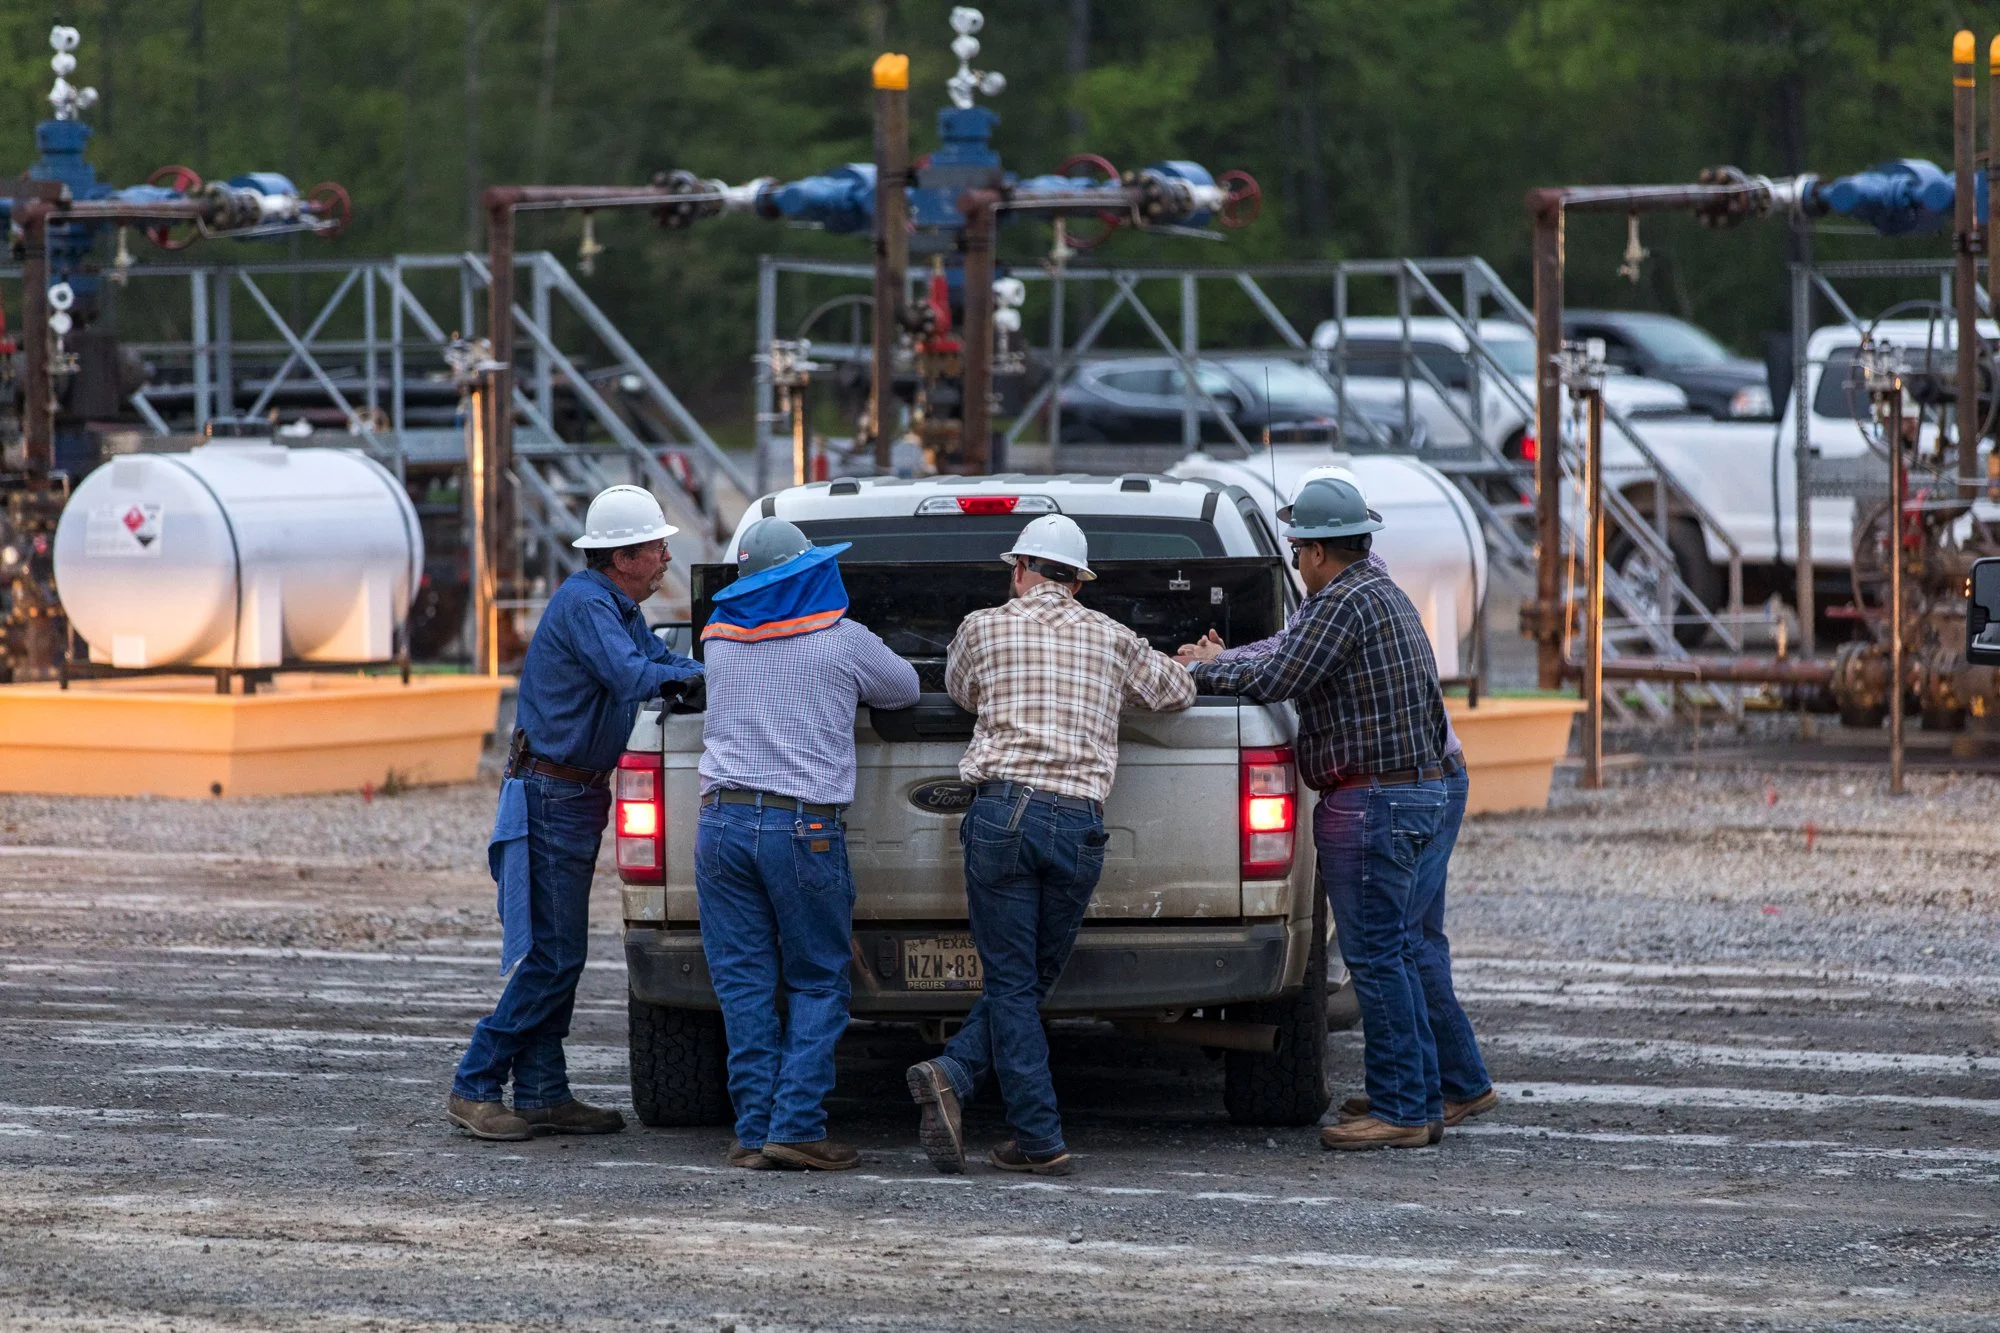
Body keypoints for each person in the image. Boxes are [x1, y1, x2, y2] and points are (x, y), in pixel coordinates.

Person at [1177, 470, 1495, 1140]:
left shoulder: (1340, 605)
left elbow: (1275, 675)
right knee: (1403, 950)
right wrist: (1225, 655)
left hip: (1373, 802)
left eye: (1297, 549)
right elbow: (1287, 651)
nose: (1295, 561)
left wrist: (1199, 669)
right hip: (1412, 792)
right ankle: (1425, 1088)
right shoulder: (1375, 590)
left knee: (1378, 957)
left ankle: (1402, 1109)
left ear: (1319, 551)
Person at [906, 514, 1195, 1177]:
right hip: (1078, 820)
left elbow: (959, 690)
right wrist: (1181, 660)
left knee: (1012, 980)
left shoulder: (983, 626)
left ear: (1020, 570)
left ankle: (1004, 1110)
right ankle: (985, 1100)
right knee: (1030, 978)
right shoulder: (1113, 638)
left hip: (1003, 813)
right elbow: (1177, 693)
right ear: (1079, 583)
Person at [447, 485, 703, 1142]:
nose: (667, 554)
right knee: (554, 956)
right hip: (551, 795)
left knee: (558, 950)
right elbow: (633, 675)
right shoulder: (592, 607)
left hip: (572, 793)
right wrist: (702, 678)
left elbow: (657, 659)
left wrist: (702, 667)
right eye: (656, 545)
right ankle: (476, 1080)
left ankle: (541, 1091)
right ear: (624, 556)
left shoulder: (614, 606)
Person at [696, 519, 920, 1172]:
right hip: (803, 829)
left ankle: (753, 1128)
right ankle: (796, 1125)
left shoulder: (717, 639)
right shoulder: (843, 641)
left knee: (744, 986)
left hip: (721, 826)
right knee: (819, 978)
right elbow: (904, 687)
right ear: (806, 573)